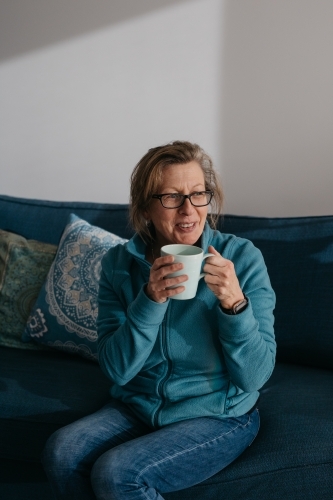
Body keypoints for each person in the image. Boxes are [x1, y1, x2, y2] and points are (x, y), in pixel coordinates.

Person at [42, 141, 276, 499]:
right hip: (137, 406)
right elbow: (117, 370)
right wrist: (150, 299)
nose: (189, 210)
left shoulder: (241, 259)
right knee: (62, 453)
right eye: (171, 197)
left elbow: (255, 377)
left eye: (199, 194)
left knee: (117, 473)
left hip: (219, 415)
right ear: (146, 207)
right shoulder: (119, 264)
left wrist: (234, 304)